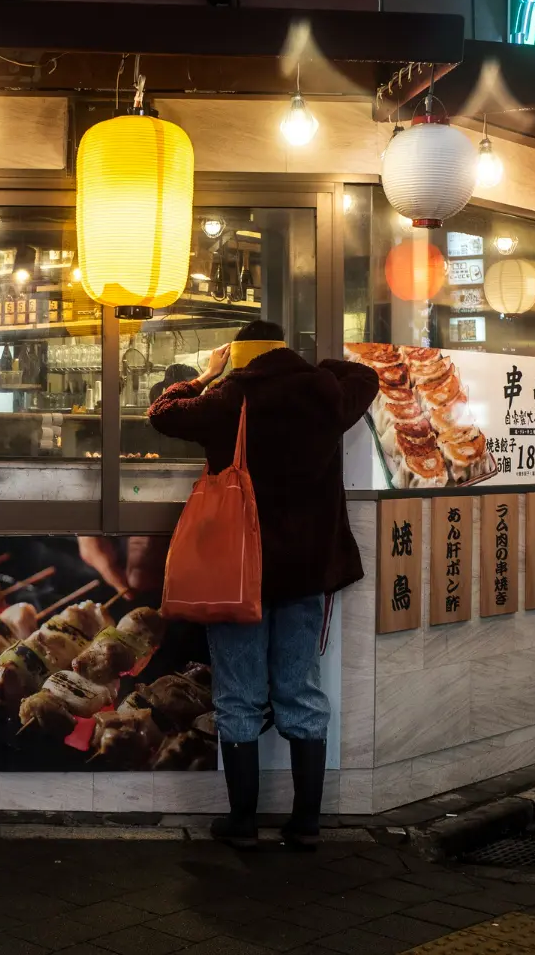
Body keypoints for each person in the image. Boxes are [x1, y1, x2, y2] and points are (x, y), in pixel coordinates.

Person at [146, 320, 379, 850]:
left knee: (239, 695)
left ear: (241, 355)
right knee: (301, 690)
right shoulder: (326, 393)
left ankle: (244, 822)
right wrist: (314, 366)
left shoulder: (230, 397)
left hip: (238, 573)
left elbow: (161, 412)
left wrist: (206, 375)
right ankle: (306, 824)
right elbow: (364, 375)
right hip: (306, 570)